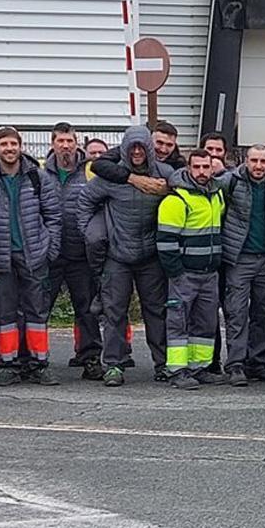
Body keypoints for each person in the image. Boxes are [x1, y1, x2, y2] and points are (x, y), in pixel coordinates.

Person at [76, 125, 174, 387]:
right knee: (114, 312)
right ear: (125, 149)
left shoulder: (164, 175)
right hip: (117, 255)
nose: (138, 152)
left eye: (142, 147)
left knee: (156, 311)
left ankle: (163, 363)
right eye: (133, 147)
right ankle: (114, 365)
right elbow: (85, 200)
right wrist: (90, 231)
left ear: (149, 149)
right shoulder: (112, 176)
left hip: (151, 256)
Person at [0, 126, 60, 386]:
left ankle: (38, 364)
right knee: (5, 315)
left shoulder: (37, 177)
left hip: (34, 255)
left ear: (20, 145)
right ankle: (8, 365)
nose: (9, 148)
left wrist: (50, 249)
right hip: (1, 259)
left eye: (13, 143)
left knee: (36, 313)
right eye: (3, 144)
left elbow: (53, 216)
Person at [156, 149, 226, 390]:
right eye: (197, 167)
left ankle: (199, 367)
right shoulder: (176, 200)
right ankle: (177, 371)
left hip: (209, 274)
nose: (202, 172)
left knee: (205, 324)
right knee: (178, 322)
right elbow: (166, 241)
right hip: (184, 274)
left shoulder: (216, 196)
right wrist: (176, 272)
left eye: (206, 167)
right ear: (188, 168)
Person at [40, 123, 102, 378]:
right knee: (40, 309)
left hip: (81, 254)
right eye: (61, 141)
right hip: (50, 254)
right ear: (53, 144)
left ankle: (90, 358)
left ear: (77, 143)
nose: (66, 146)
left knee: (86, 310)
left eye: (70, 141)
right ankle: (36, 360)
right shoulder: (40, 172)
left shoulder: (90, 170)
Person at [224, 144, 265, 386]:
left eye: (263, 161)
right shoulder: (231, 181)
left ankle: (257, 363)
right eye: (254, 160)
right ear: (245, 161)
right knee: (237, 313)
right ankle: (236, 364)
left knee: (264, 313)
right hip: (240, 258)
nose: (258, 166)